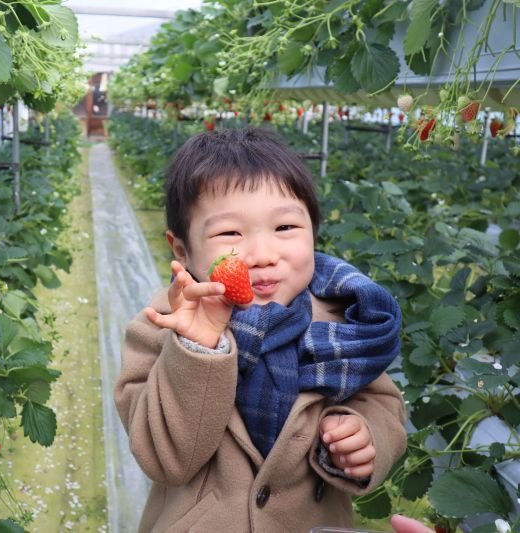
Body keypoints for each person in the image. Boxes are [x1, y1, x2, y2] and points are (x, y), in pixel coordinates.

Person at [114, 127, 407, 531]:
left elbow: (383, 405)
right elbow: (165, 459)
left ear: (313, 231)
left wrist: (365, 435)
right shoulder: (161, 329)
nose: (263, 256)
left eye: (285, 228)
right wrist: (198, 351)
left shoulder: (347, 324)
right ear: (182, 250)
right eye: (230, 233)